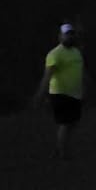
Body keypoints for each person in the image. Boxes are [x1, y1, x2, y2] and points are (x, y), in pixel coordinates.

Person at [34, 23, 87, 159]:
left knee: (73, 123)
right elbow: (47, 76)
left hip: (75, 94)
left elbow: (81, 71)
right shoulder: (55, 54)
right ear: (60, 36)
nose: (69, 37)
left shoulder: (76, 52)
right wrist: (40, 94)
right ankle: (63, 153)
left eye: (71, 34)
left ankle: (59, 149)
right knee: (65, 123)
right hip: (60, 93)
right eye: (66, 34)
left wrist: (85, 88)